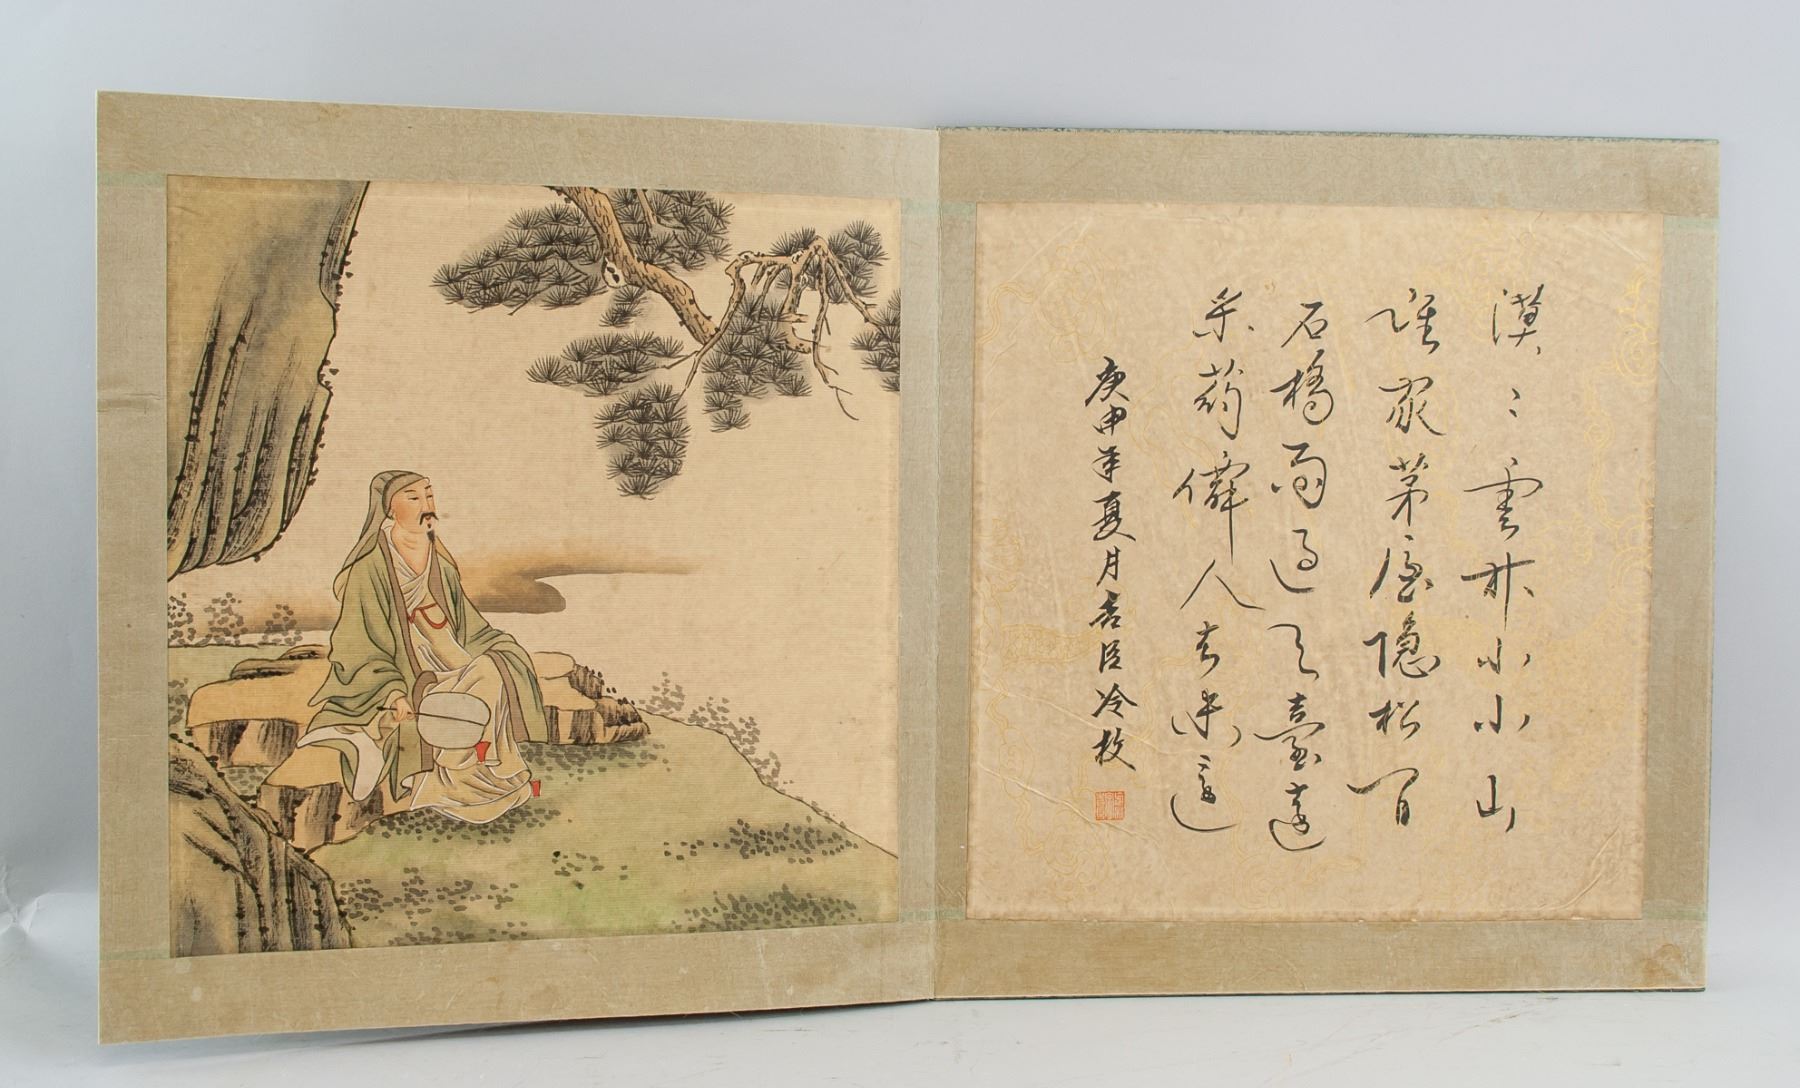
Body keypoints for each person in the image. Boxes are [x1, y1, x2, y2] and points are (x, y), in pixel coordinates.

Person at [298, 470, 547, 822]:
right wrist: (392, 691)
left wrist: (490, 645)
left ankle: (471, 771)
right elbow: (356, 643)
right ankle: (451, 774)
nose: (426, 505)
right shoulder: (368, 570)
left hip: (447, 662)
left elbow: (469, 626)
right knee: (466, 695)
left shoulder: (440, 563)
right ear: (389, 509)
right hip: (405, 672)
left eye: (429, 495)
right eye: (413, 497)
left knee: (493, 665)